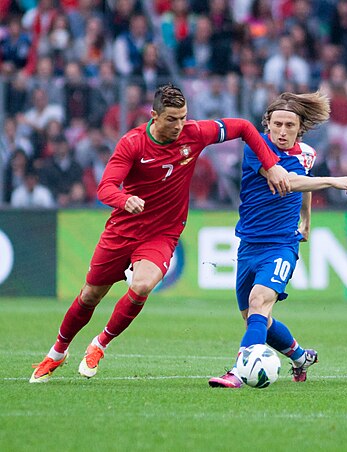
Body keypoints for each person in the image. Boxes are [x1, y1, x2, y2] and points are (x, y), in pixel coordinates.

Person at [30, 83, 290, 383]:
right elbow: (105, 188)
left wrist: (271, 166)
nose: (180, 125)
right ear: (154, 116)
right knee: (90, 296)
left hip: (163, 233)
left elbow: (244, 127)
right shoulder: (133, 144)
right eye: (172, 119)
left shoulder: (195, 133)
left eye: (183, 117)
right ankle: (57, 352)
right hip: (123, 229)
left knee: (142, 286)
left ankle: (100, 344)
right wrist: (123, 199)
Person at [209, 91, 347, 388]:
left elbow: (302, 184)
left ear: (299, 128)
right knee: (255, 317)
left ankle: (240, 371)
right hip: (249, 243)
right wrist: (332, 180)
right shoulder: (257, 147)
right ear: (267, 124)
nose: (282, 131)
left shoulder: (306, 153)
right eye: (277, 124)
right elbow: (286, 181)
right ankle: (301, 356)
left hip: (281, 245)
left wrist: (306, 219)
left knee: (258, 300)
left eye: (290, 125)